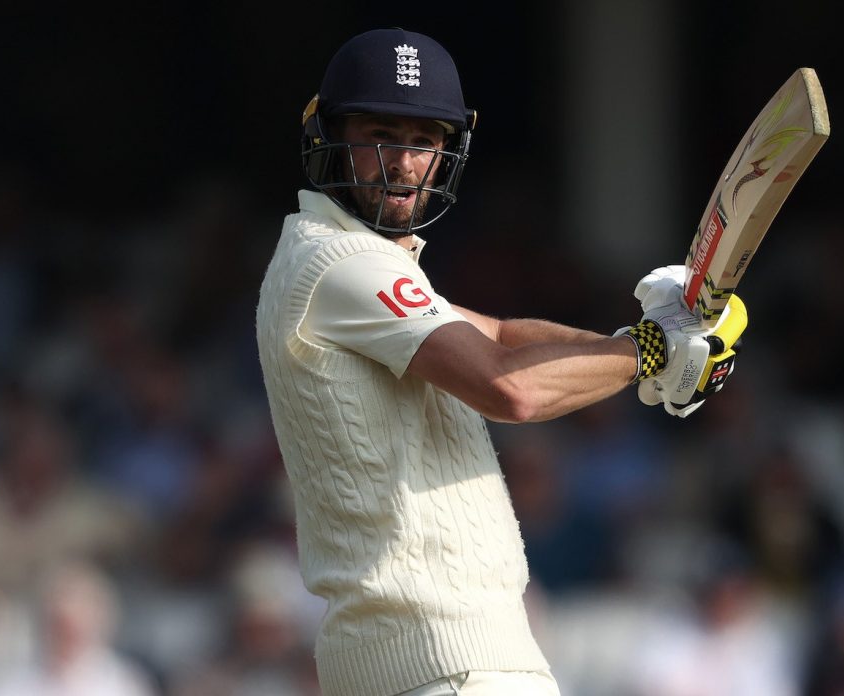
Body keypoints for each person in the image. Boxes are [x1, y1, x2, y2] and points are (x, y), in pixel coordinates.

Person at [255, 27, 745, 696]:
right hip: (443, 661)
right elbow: (509, 387)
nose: (404, 163)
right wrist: (650, 352)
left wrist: (640, 341)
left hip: (433, 662)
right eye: (380, 135)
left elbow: (505, 336)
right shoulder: (341, 262)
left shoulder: (347, 262)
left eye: (424, 140)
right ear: (328, 135)